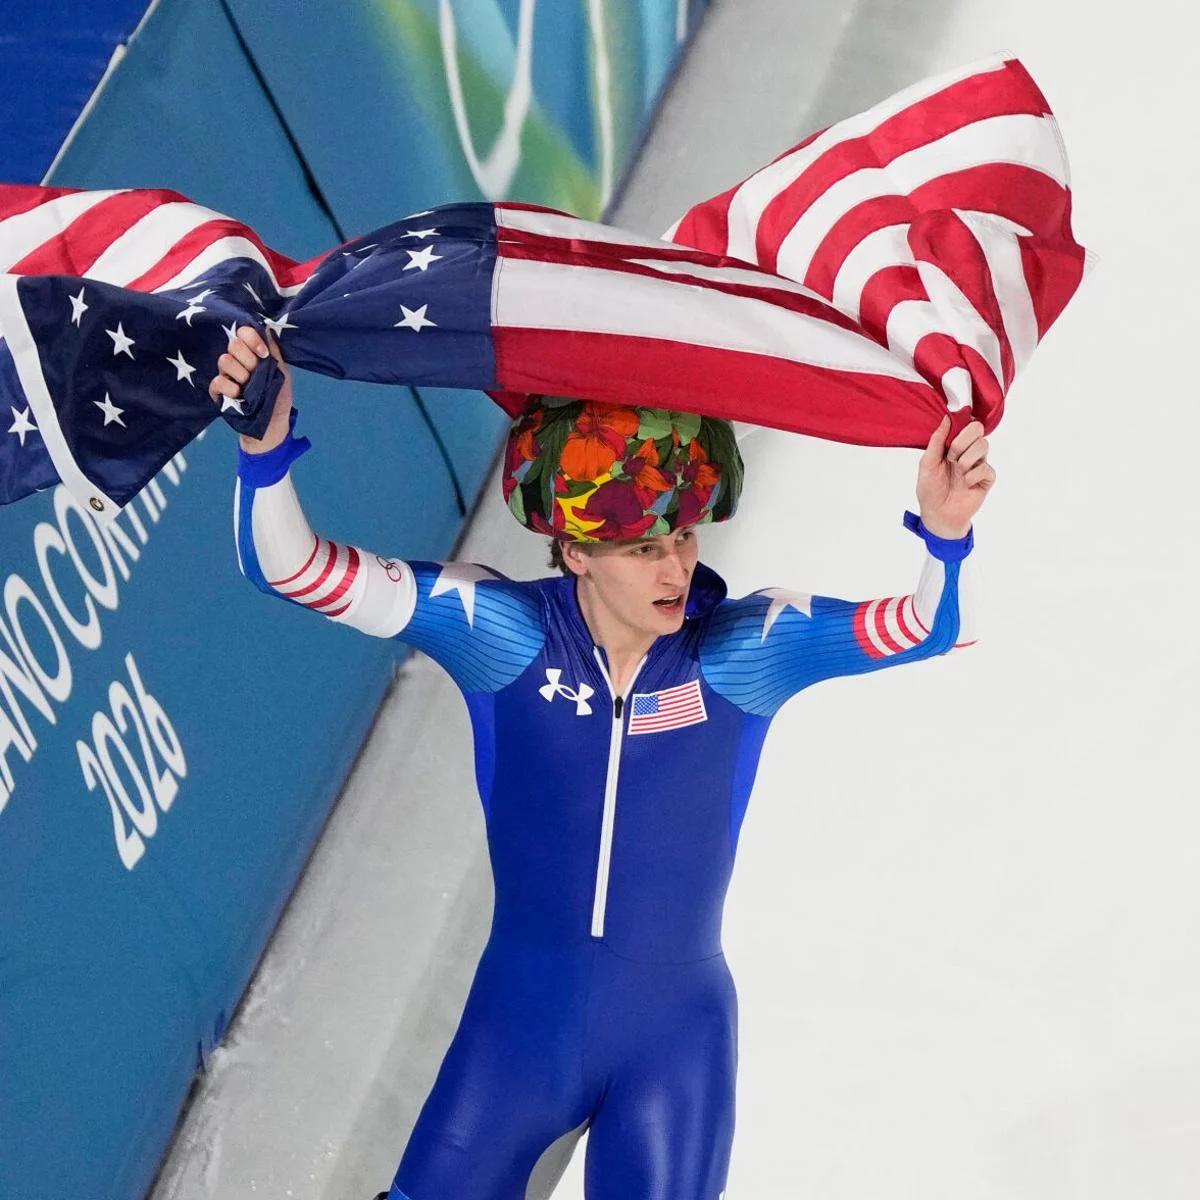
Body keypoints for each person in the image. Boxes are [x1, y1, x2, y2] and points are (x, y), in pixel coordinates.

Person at [211, 325, 993, 1200]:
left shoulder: (746, 651)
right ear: (577, 551)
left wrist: (944, 536)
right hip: (518, 1034)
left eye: (684, 538)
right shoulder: (497, 631)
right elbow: (292, 570)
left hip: (674, 1042)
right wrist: (264, 453)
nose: (677, 569)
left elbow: (929, 628)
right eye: (644, 549)